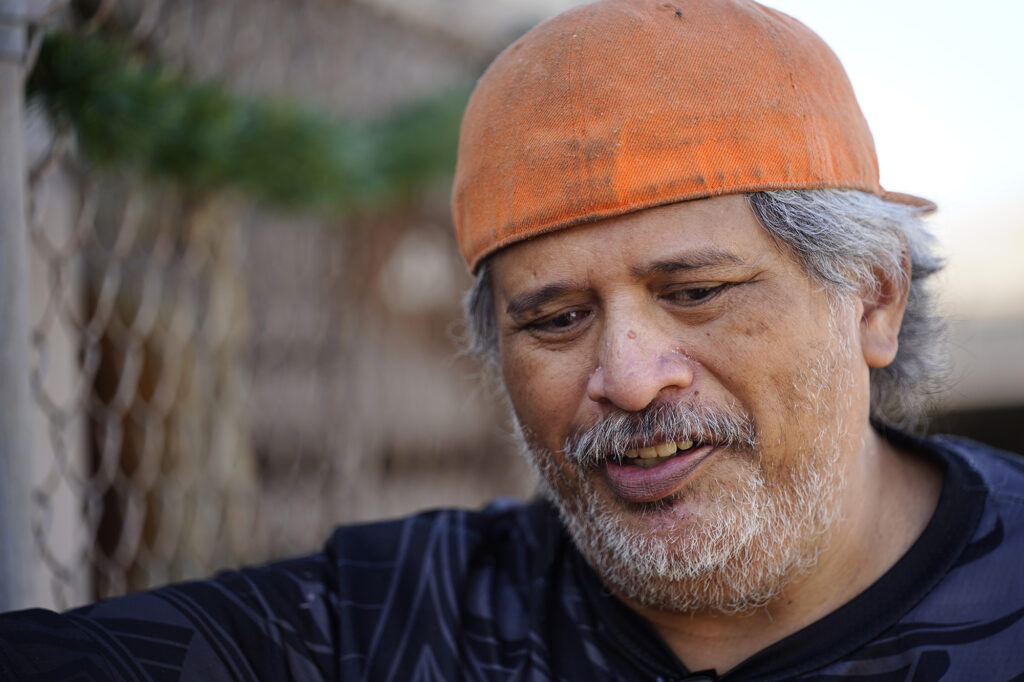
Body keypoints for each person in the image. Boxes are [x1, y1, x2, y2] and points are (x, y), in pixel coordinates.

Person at [3, 1, 1023, 680]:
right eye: (555, 319)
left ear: (872, 300)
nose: (626, 377)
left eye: (698, 291)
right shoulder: (405, 622)